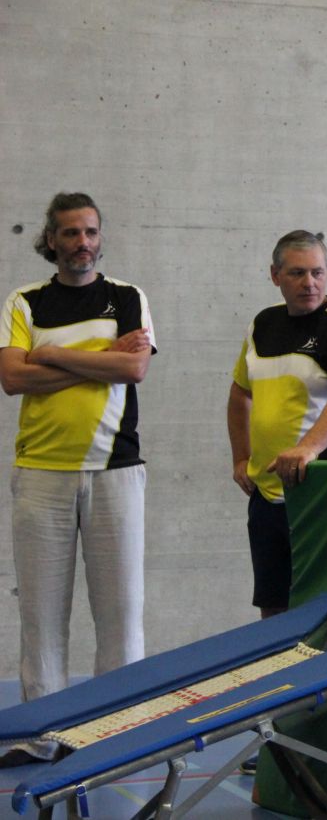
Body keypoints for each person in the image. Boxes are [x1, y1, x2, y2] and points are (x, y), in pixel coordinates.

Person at [0, 192, 155, 763]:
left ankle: (116, 735)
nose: (82, 243)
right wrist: (100, 357)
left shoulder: (127, 297)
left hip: (116, 472)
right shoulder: (25, 301)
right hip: (41, 474)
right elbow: (13, 379)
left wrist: (52, 356)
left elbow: (134, 366)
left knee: (121, 614)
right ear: (51, 240)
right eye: (70, 233)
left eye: (90, 232)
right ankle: (40, 736)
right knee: (41, 614)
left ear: (100, 236)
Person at [226, 230, 327, 621]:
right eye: (297, 273)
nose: (310, 283)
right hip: (269, 493)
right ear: (275, 275)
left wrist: (309, 448)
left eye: (317, 272)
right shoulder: (262, 325)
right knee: (274, 608)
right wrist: (241, 458)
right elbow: (240, 394)